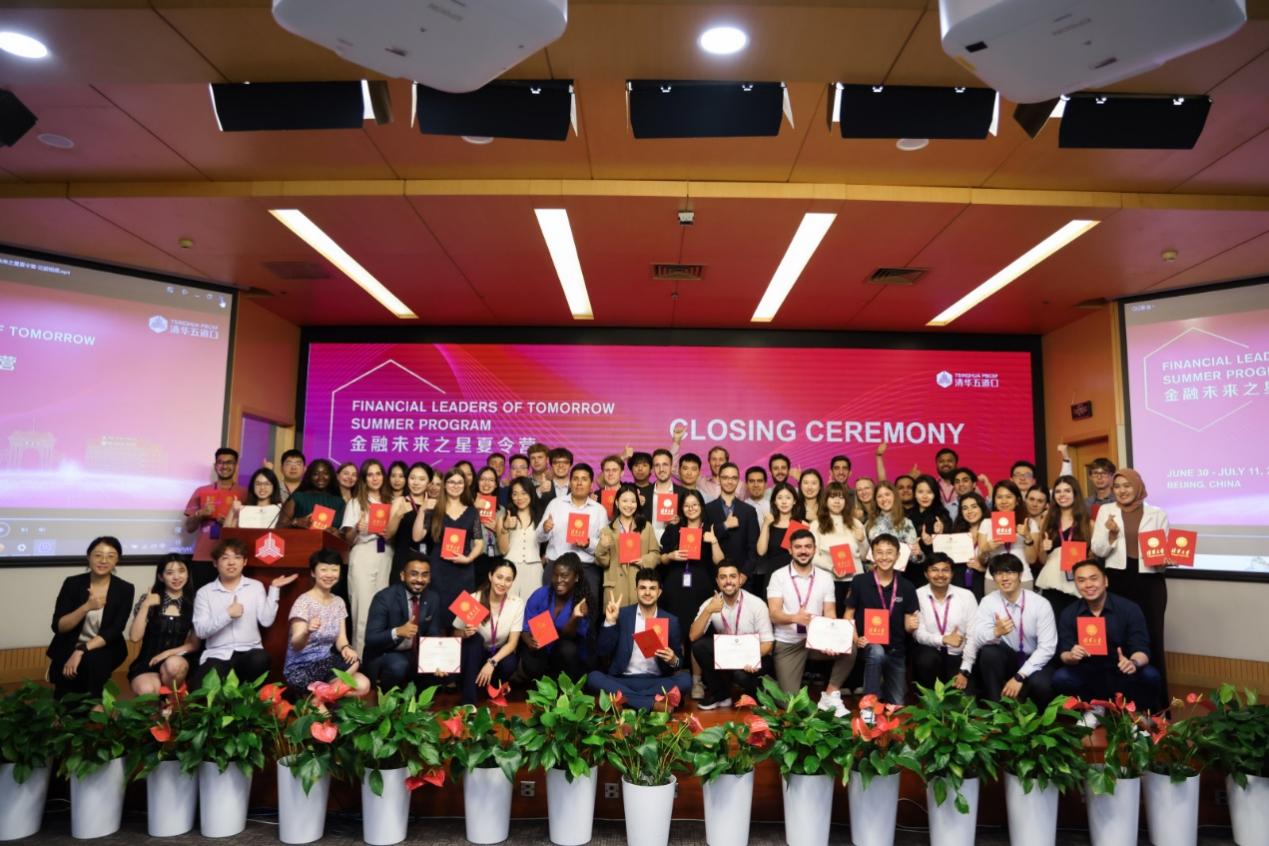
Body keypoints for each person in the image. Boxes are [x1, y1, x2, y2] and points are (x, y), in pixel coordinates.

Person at [1090, 468, 1170, 691]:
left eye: (1127, 486)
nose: (1122, 490)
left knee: (1152, 635)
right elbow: (1097, 549)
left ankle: (1155, 699)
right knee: (1117, 635)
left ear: (1138, 487)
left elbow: (1161, 555)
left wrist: (1166, 560)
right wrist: (1112, 535)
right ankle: (1118, 697)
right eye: (1117, 486)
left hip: (1150, 581)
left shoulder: (1157, 514)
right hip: (1117, 579)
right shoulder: (1106, 511)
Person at [1053, 559, 1163, 710]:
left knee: (1150, 676)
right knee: (1061, 677)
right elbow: (1064, 653)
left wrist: (1133, 663)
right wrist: (1072, 656)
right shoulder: (1069, 613)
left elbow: (1142, 650)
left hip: (1122, 670)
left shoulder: (1129, 609)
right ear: (1076, 585)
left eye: (1093, 578)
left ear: (1105, 581)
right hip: (1088, 671)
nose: (1088, 585)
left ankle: (1136, 713)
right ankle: (1091, 709)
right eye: (1081, 580)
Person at [768, 530, 855, 713]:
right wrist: (794, 618)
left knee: (850, 646)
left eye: (808, 546)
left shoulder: (825, 577)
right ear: (790, 550)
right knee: (790, 705)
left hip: (817, 641)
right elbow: (774, 614)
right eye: (798, 547)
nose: (803, 551)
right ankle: (776, 684)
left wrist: (831, 639)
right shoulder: (778, 576)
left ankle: (830, 695)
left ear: (815, 549)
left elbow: (830, 612)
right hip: (789, 643)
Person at [192, 538, 297, 687]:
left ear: (244, 562)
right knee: (201, 688)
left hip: (249, 651)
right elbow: (201, 631)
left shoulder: (255, 587)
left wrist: (274, 590)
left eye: (237, 557)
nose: (231, 563)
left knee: (260, 659)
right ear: (215, 563)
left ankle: (249, 698)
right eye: (225, 558)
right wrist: (227, 615)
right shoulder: (204, 593)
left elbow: (266, 621)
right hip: (218, 654)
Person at [587, 568, 692, 710]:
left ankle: (625, 701)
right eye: (642, 588)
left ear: (659, 592)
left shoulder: (671, 621)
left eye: (652, 588)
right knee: (593, 678)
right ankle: (652, 704)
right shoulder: (621, 614)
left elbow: (679, 663)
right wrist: (610, 621)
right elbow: (602, 651)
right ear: (636, 590)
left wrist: (673, 659)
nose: (647, 592)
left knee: (686, 680)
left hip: (656, 681)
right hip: (623, 680)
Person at [48, 536, 136, 699]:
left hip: (105, 645)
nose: (103, 560)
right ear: (88, 557)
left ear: (117, 560)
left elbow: (115, 629)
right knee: (64, 686)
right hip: (69, 642)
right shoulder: (72, 583)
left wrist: (81, 650)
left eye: (110, 556)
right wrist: (86, 607)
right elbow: (59, 627)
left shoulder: (125, 589)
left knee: (92, 663)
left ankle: (96, 705)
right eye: (98, 555)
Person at [342, 459, 410, 655]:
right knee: (362, 609)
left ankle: (379, 660)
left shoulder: (392, 502)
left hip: (387, 554)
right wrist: (357, 528)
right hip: (363, 553)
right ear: (364, 479)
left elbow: (395, 534)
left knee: (384, 609)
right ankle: (359, 659)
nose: (374, 478)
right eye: (370, 474)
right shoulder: (356, 502)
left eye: (378, 473)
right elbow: (347, 539)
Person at [970, 554, 1056, 704]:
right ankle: (995, 706)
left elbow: (1047, 648)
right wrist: (996, 632)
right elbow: (977, 638)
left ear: (1020, 575)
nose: (1004, 578)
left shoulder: (1040, 604)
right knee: (989, 653)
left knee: (1042, 685)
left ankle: (1034, 714)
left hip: (1034, 658)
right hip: (1008, 658)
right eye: (998, 573)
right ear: (993, 578)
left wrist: (1020, 676)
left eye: (1010, 572)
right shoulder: (988, 602)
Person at [284, 548, 370, 697]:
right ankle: (316, 696)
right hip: (301, 668)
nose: (330, 574)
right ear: (313, 572)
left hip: (326, 664)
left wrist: (346, 648)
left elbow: (341, 639)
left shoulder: (338, 602)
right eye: (324, 570)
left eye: (334, 570)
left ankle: (319, 696)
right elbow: (296, 644)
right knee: (353, 664)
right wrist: (307, 631)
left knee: (363, 684)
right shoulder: (303, 602)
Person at [845, 534, 919, 706]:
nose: (884, 557)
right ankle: (868, 707)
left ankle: (884, 687)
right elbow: (848, 615)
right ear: (872, 555)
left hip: (896, 649)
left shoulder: (907, 587)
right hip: (868, 644)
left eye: (889, 552)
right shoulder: (859, 581)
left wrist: (911, 626)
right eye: (879, 552)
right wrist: (856, 639)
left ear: (898, 555)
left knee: (896, 704)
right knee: (876, 652)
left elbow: (908, 624)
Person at [689, 560, 774, 709]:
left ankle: (758, 696)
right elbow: (693, 636)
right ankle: (721, 695)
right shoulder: (710, 603)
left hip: (752, 656)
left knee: (740, 676)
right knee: (700, 646)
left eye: (732, 576)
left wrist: (752, 658)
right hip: (727, 655)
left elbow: (768, 643)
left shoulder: (757, 604)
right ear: (717, 581)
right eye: (723, 577)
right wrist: (709, 610)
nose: (728, 581)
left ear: (740, 579)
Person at [363, 554, 445, 690]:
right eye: (414, 574)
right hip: (386, 653)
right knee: (399, 665)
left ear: (429, 577)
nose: (419, 580)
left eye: (424, 575)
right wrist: (398, 632)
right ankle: (386, 698)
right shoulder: (384, 598)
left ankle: (417, 700)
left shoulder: (432, 598)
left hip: (413, 653)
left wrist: (436, 660)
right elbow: (371, 639)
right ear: (402, 575)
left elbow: (433, 633)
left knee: (446, 670)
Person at [538, 463, 609, 609]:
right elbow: (539, 537)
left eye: (584, 479)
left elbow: (604, 546)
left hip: (586, 568)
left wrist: (588, 544)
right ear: (570, 482)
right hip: (556, 566)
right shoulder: (555, 504)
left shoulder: (599, 510)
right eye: (575, 479)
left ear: (591, 484)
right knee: (550, 610)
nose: (579, 483)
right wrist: (545, 529)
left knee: (587, 612)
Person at [414, 468, 484, 616]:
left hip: (464, 570)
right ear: (444, 485)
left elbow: (479, 542)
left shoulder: (472, 511)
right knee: (437, 615)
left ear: (465, 485)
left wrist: (469, 558)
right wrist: (422, 510)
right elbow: (417, 537)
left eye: (459, 482)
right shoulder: (434, 509)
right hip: (438, 569)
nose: (455, 485)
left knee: (463, 617)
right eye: (451, 482)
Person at [128, 555, 200, 696]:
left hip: (177, 662)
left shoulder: (195, 602)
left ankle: (169, 699)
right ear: (161, 577)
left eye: (181, 571)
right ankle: (161, 703)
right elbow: (135, 637)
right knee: (147, 691)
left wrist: (167, 654)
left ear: (188, 574)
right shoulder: (149, 599)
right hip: (148, 662)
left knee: (174, 666)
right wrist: (145, 605)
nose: (176, 577)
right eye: (170, 573)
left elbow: (194, 644)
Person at [454, 561, 523, 705]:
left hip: (497, 655)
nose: (502, 583)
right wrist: (464, 633)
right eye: (499, 577)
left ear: (512, 582)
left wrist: (492, 663)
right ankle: (468, 701)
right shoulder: (473, 599)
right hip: (474, 654)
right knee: (475, 640)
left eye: (508, 579)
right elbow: (455, 634)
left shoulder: (516, 603)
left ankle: (491, 686)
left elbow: (512, 643)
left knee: (510, 663)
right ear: (490, 576)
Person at [519, 555, 592, 683]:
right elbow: (525, 628)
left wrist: (574, 617)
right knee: (532, 662)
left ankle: (565, 687)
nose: (558, 580)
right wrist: (529, 641)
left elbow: (571, 637)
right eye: (555, 575)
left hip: (565, 655)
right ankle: (539, 684)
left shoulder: (581, 602)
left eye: (564, 576)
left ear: (576, 577)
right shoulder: (540, 594)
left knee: (568, 649)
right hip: (540, 649)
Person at [911, 554, 978, 692]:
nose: (940, 575)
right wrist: (943, 639)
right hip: (930, 655)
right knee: (926, 659)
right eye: (934, 570)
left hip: (959, 656)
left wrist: (964, 670)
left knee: (964, 700)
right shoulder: (917, 595)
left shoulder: (966, 596)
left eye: (945, 570)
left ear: (952, 574)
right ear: (926, 574)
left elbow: (974, 635)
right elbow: (918, 634)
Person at [182, 447, 248, 586]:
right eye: (220, 462)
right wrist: (200, 514)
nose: (224, 466)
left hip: (233, 558)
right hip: (203, 557)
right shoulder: (201, 491)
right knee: (202, 597)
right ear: (215, 465)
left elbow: (251, 527)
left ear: (236, 466)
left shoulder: (245, 493)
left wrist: (229, 524)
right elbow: (189, 527)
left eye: (229, 462)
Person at [595, 483, 661, 608]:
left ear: (637, 504)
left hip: (641, 586)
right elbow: (603, 562)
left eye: (633, 501)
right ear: (616, 503)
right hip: (615, 589)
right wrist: (602, 546)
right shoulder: (607, 530)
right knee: (615, 619)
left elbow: (656, 554)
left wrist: (644, 560)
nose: (629, 505)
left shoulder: (646, 527)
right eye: (624, 501)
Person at [1035, 475, 1091, 619]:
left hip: (1078, 584)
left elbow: (1094, 557)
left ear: (1075, 494)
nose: (1062, 495)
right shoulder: (1047, 521)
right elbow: (1042, 559)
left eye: (1067, 491)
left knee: (1076, 625)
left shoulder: (1088, 523)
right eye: (1058, 491)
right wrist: (1044, 549)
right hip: (1052, 583)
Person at [810, 481, 868, 612]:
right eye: (833, 497)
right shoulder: (816, 525)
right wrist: (831, 567)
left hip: (855, 581)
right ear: (825, 500)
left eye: (841, 497)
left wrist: (862, 541)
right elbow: (812, 556)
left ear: (846, 501)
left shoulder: (856, 523)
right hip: (828, 580)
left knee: (853, 619)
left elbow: (864, 557)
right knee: (831, 619)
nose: (837, 501)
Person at [704, 462, 760, 581]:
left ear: (738, 481)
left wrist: (744, 574)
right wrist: (725, 525)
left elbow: (753, 547)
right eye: (725, 477)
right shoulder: (707, 509)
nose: (730, 481)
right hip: (714, 576)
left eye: (734, 478)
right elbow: (705, 539)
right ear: (719, 479)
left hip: (742, 575)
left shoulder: (749, 511)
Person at [978, 480, 1037, 592]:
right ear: (994, 501)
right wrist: (986, 548)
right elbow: (982, 561)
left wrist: (1027, 537)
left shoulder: (1029, 523)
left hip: (1022, 578)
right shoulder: (986, 523)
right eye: (999, 497)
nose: (1004, 501)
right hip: (994, 578)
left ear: (1017, 500)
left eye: (1009, 497)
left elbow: (1032, 559)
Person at [496, 476, 547, 600]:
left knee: (534, 605)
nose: (519, 498)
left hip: (535, 569)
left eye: (524, 493)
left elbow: (548, 542)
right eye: (515, 494)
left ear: (531, 493)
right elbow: (503, 550)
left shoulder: (541, 516)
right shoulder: (504, 517)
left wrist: (543, 559)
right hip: (510, 569)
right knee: (509, 604)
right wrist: (505, 528)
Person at [391, 461, 435, 582]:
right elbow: (388, 535)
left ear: (429, 483)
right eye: (412, 478)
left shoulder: (434, 504)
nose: (416, 482)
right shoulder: (400, 502)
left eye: (421, 479)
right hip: (403, 560)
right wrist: (398, 515)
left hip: (427, 562)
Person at [755, 482, 800, 600]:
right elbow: (760, 551)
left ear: (794, 501)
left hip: (795, 576)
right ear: (774, 501)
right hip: (773, 575)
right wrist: (765, 524)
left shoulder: (801, 525)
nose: (784, 502)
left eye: (788, 498)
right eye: (780, 498)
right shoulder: (769, 524)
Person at [866, 481, 922, 572]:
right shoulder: (869, 524)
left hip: (899, 575)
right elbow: (866, 558)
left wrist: (917, 553)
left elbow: (915, 559)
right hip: (874, 575)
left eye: (887, 494)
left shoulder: (906, 523)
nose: (884, 499)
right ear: (875, 500)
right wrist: (869, 567)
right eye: (879, 496)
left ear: (894, 497)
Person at [908, 474, 951, 589]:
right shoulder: (908, 515)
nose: (925, 496)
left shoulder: (942, 515)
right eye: (920, 492)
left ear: (935, 494)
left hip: (934, 571)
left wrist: (938, 537)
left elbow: (949, 547)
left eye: (929, 492)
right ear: (914, 493)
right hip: (910, 569)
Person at [280, 458, 345, 531]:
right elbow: (280, 526)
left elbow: (345, 533)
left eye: (326, 474)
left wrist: (337, 533)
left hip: (329, 539)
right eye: (315, 474)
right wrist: (296, 521)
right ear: (309, 476)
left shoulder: (339, 502)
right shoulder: (297, 497)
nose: (321, 478)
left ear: (331, 476)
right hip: (301, 538)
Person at [950, 492, 991, 598]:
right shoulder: (956, 532)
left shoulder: (991, 530)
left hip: (983, 582)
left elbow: (1000, 563)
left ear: (982, 508)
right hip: (958, 582)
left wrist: (982, 568)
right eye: (965, 508)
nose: (969, 511)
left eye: (974, 506)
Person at [644, 448, 689, 541]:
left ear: (672, 467)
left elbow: (690, 521)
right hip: (649, 544)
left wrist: (679, 520)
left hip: (674, 544)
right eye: (657, 465)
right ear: (652, 469)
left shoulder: (684, 493)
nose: (661, 469)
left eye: (665, 465)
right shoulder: (643, 494)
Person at [472, 465, 505, 586]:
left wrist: (497, 530)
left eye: (491, 480)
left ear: (496, 484)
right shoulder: (468, 507)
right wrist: (473, 510)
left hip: (496, 559)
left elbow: (506, 544)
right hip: (474, 559)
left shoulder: (502, 510)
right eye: (482, 479)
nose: (486, 483)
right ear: (477, 482)